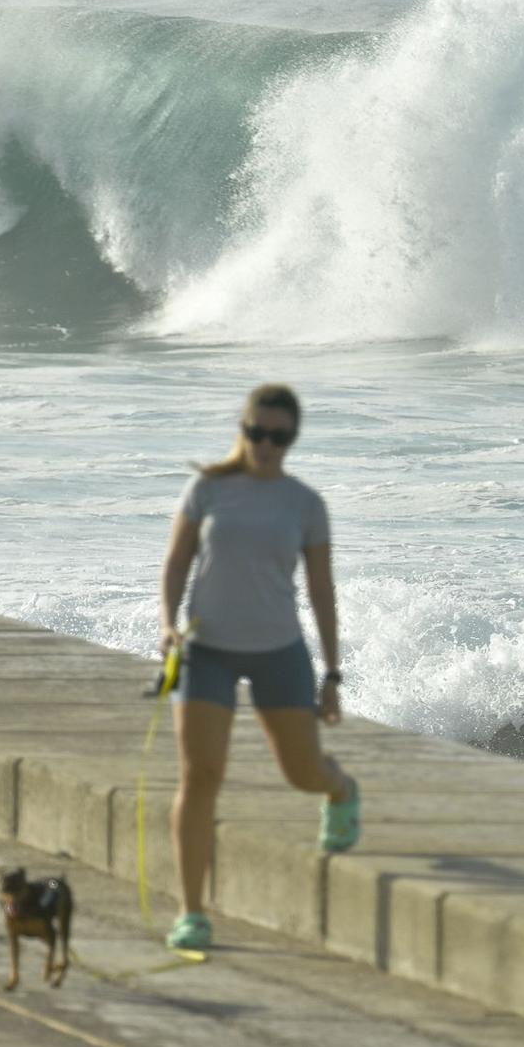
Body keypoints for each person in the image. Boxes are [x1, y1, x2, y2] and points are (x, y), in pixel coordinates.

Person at [157, 382, 357, 952]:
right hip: (206, 652)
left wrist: (332, 673)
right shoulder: (206, 490)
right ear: (240, 429)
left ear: (291, 439)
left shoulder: (304, 504)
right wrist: (169, 624)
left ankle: (339, 788)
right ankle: (191, 912)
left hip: (278, 652)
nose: (265, 445)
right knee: (200, 776)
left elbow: (321, 591)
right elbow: (175, 565)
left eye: (278, 436)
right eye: (255, 433)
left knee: (302, 774)